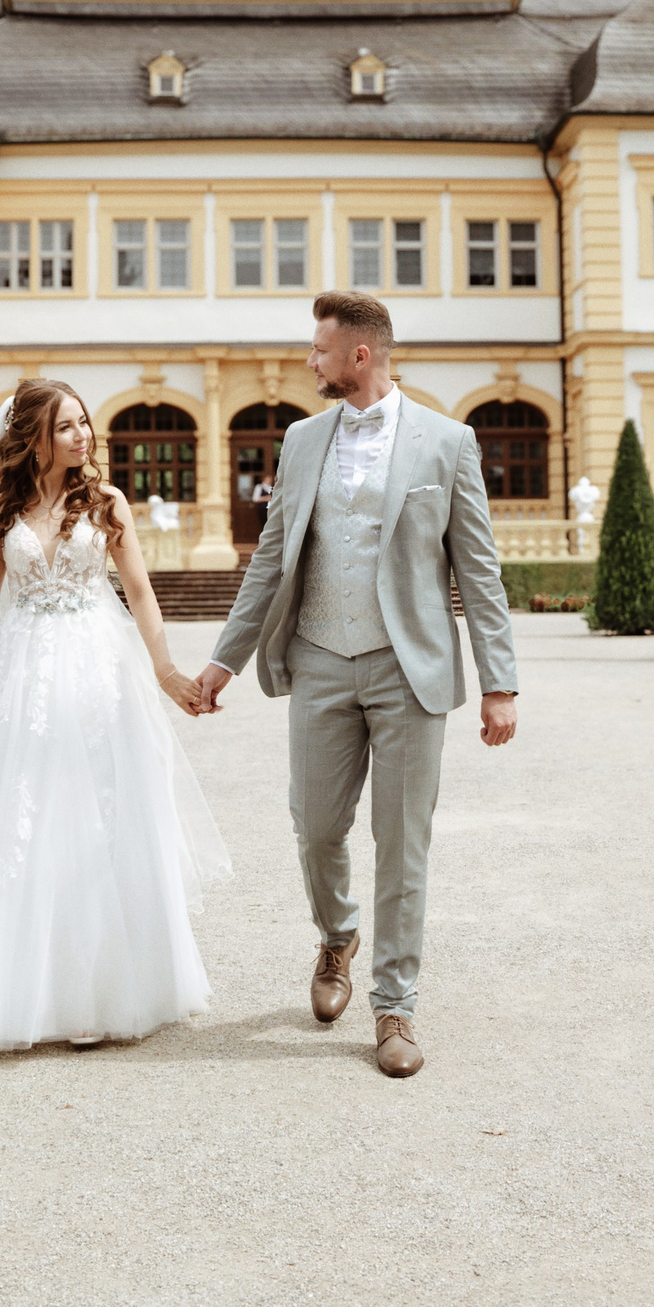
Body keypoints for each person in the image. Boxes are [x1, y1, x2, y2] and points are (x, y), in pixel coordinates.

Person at [192, 291, 519, 1078]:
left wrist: (499, 681)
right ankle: (337, 934)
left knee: (401, 842)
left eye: (319, 349)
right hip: (318, 658)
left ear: (359, 354)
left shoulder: (449, 442)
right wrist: (224, 659)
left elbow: (477, 569)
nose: (310, 360)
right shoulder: (301, 439)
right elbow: (271, 558)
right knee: (314, 824)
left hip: (409, 668)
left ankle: (394, 1003)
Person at [0, 379, 231, 1053]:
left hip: (98, 675)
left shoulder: (106, 503)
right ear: (33, 439)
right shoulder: (6, 511)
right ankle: (21, 990)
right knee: (25, 817)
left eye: (84, 423)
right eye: (66, 426)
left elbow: (139, 592)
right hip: (22, 679)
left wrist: (166, 671)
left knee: (98, 818)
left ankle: (95, 991)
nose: (83, 436)